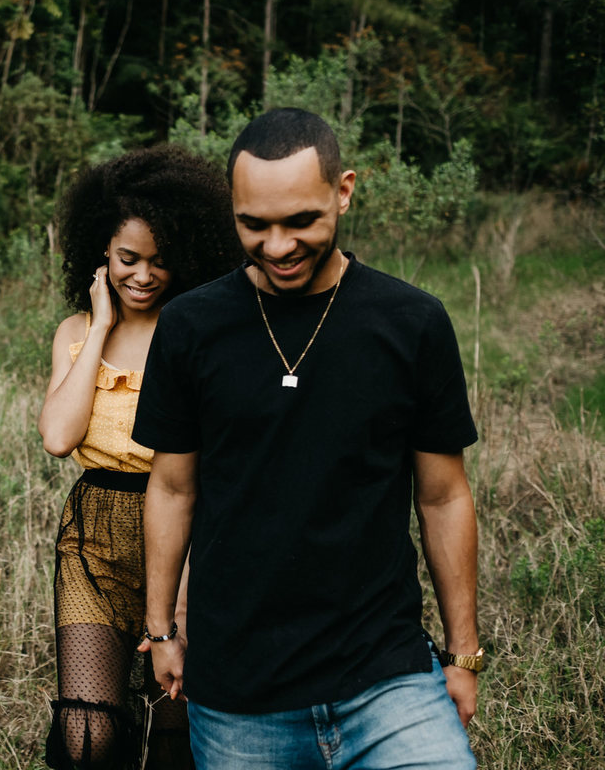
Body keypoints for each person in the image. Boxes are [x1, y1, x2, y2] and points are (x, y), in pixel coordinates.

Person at [134, 108, 482, 769]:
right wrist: (162, 630)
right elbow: (173, 488)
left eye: (299, 221)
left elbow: (442, 498)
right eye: (253, 225)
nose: (276, 246)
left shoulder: (412, 323)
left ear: (343, 190)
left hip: (386, 677)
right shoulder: (190, 327)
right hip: (240, 695)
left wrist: (462, 656)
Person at [39, 144, 242, 769]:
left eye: (160, 262)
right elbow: (57, 436)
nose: (144, 275)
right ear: (103, 249)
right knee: (87, 738)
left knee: (178, 729)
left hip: (181, 532)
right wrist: (100, 326)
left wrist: (178, 600)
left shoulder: (197, 333)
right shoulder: (76, 333)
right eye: (129, 258)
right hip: (94, 537)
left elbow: (195, 475)